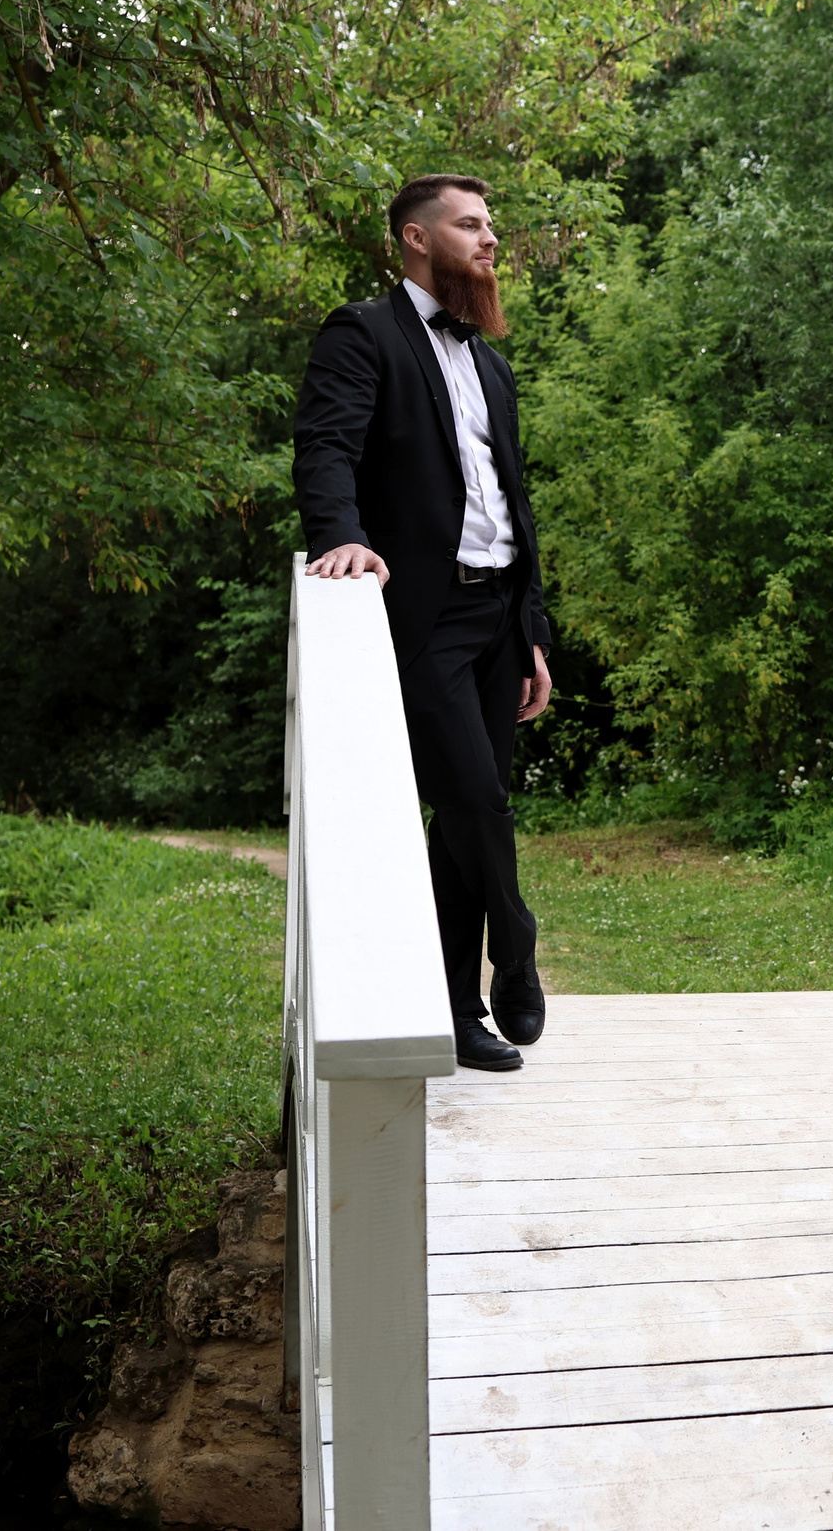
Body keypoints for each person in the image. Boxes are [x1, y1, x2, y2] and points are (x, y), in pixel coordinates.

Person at [292, 174, 554, 1075]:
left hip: (496, 615)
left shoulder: (490, 363)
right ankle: (515, 946)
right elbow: (327, 445)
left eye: (492, 226)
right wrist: (342, 538)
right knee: (476, 798)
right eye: (470, 225)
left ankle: (458, 1009)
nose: (490, 241)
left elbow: (514, 504)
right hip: (426, 612)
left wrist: (532, 630)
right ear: (415, 237)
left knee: (459, 825)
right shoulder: (362, 334)